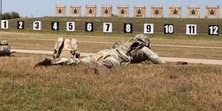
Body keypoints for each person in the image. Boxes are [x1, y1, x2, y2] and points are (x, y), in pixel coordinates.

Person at [35, 33, 164, 72]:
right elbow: (159, 61)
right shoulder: (143, 49)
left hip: (104, 51)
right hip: (115, 56)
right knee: (109, 62)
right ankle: (101, 65)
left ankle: (52, 61)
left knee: (78, 61)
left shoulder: (124, 44)